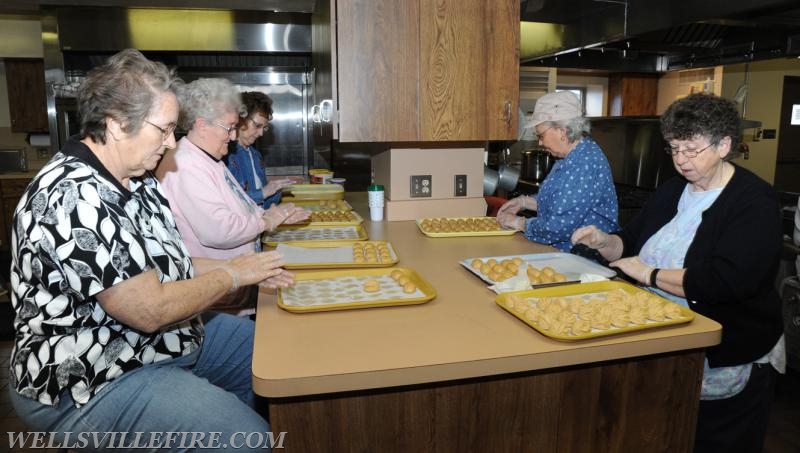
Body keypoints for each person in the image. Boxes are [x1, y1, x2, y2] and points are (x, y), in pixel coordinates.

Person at [8, 49, 294, 451]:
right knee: (243, 440)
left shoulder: (135, 179)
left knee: (268, 351)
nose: (172, 143)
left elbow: (168, 263)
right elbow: (148, 309)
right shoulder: (74, 195)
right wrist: (232, 275)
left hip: (159, 342)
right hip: (92, 376)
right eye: (164, 130)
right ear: (118, 124)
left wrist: (247, 266)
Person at [572, 92, 785, 453]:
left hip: (729, 353)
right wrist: (603, 241)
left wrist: (650, 275)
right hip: (673, 345)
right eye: (673, 148)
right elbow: (632, 241)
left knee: (716, 441)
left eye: (691, 149)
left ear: (724, 145)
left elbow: (726, 280)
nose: (681, 160)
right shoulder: (673, 190)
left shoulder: (754, 202)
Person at [155, 78, 309, 312]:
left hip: (236, 285)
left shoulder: (208, 158)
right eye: (229, 127)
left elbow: (241, 205)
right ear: (202, 125)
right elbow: (219, 231)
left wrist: (273, 214)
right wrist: (268, 220)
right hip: (219, 295)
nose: (234, 136)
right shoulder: (185, 165)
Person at [496, 91, 619, 252]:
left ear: (563, 131)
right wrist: (523, 202)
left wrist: (518, 223)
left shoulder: (584, 164)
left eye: (541, 135)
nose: (540, 142)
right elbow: (557, 202)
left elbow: (555, 228)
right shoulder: (569, 156)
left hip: (582, 258)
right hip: (562, 253)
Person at [226, 91, 301, 209]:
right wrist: (264, 192)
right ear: (241, 119)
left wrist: (278, 189)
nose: (261, 133)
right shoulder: (226, 156)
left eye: (264, 128)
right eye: (257, 126)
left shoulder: (256, 155)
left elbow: (264, 203)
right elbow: (230, 203)